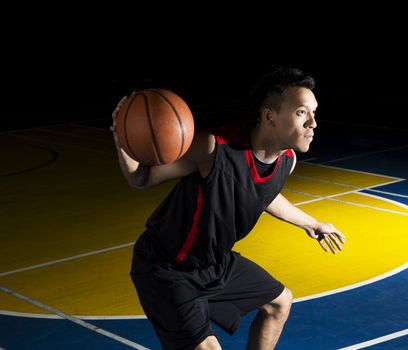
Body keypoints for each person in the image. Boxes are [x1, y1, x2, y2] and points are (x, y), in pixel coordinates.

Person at [111, 67, 346, 350]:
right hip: (167, 268)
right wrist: (124, 138)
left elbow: (265, 193)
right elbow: (142, 177)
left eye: (314, 113)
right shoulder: (213, 148)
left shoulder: (287, 160)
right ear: (269, 115)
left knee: (279, 303)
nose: (313, 123)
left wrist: (312, 223)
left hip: (214, 264)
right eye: (301, 113)